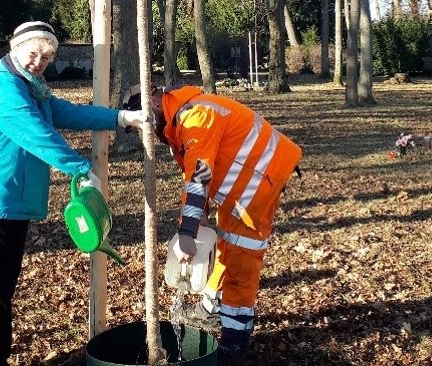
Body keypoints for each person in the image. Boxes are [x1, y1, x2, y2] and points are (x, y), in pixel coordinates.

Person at [0, 21, 146, 366]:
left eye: (46, 58)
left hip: (12, 202)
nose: (39, 62)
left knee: (2, 292)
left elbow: (64, 113)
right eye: (34, 54)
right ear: (15, 50)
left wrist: (121, 118)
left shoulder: (31, 87)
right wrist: (79, 168)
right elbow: (36, 134)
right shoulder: (4, 89)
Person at [123, 85, 302, 357]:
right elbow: (194, 173)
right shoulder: (175, 126)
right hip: (241, 186)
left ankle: (235, 339)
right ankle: (210, 307)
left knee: (242, 255)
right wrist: (200, 215)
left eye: (142, 119)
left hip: (260, 181)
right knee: (224, 245)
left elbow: (199, 177)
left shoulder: (196, 117)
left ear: (155, 102)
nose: (143, 129)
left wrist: (187, 232)